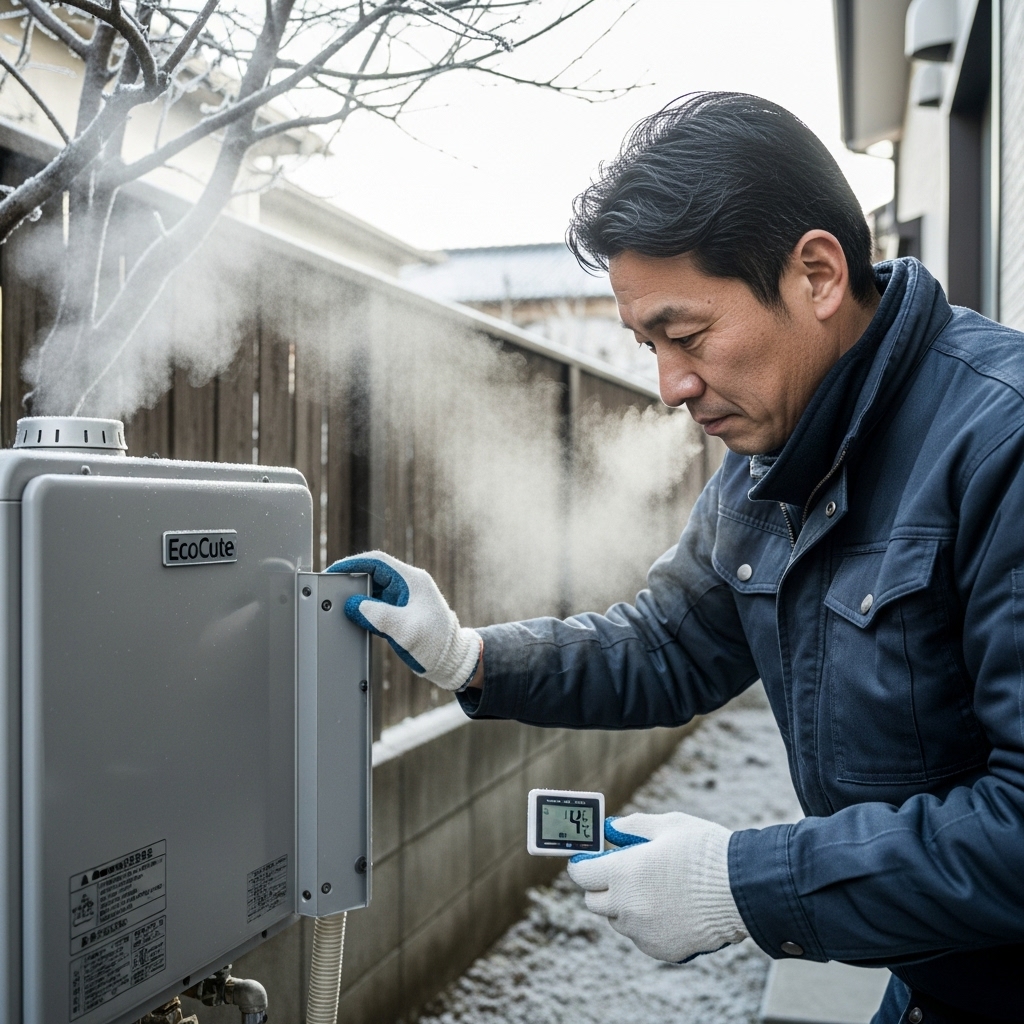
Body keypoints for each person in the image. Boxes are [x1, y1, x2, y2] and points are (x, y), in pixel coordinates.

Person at [331, 93, 1024, 1024]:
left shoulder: (1003, 442)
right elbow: (670, 644)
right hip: (933, 985)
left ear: (818, 275)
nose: (670, 385)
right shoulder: (772, 453)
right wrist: (468, 656)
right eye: (648, 345)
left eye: (687, 336)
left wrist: (743, 884)